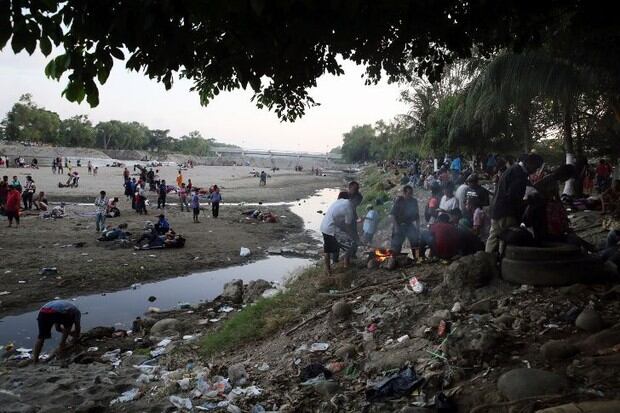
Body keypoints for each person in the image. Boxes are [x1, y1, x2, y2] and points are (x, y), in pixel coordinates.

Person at [486, 153, 544, 254]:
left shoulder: (514, 170)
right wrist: (527, 201)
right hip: (506, 213)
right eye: (536, 166)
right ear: (528, 163)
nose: (535, 170)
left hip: (497, 209)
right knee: (507, 238)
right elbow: (513, 197)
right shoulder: (518, 174)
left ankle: (488, 260)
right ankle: (501, 262)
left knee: (494, 236)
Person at [320, 191, 355, 275]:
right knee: (352, 243)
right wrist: (353, 236)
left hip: (323, 227)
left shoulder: (337, 202)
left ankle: (328, 271)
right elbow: (348, 225)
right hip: (332, 229)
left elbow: (338, 218)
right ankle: (346, 264)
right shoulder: (349, 206)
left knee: (327, 250)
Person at [390, 185, 420, 254]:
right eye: (409, 193)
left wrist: (418, 228)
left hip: (409, 225)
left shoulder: (414, 201)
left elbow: (417, 216)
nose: (410, 195)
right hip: (399, 225)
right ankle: (394, 258)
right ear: (404, 193)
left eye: (411, 193)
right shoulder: (399, 201)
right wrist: (396, 227)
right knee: (396, 244)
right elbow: (393, 215)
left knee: (415, 242)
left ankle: (417, 258)